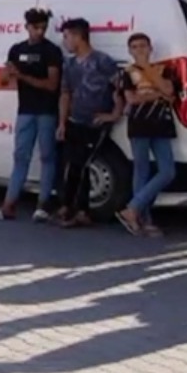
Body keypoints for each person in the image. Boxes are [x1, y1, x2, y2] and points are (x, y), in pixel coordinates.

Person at [0, 8, 62, 223]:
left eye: (43, 27)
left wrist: (21, 75)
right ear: (26, 27)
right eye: (35, 27)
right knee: (20, 157)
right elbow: (4, 80)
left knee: (47, 157)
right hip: (25, 110)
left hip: (47, 110)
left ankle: (42, 205)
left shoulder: (51, 51)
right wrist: (8, 72)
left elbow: (51, 85)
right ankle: (8, 205)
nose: (39, 32)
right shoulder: (17, 49)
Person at [54, 18, 121, 229]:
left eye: (67, 37)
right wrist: (62, 123)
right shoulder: (70, 64)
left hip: (94, 123)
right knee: (72, 165)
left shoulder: (102, 61)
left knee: (82, 165)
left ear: (78, 36)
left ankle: (80, 211)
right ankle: (70, 207)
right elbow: (66, 93)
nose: (65, 42)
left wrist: (114, 114)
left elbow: (120, 89)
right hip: (75, 120)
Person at [116, 32, 179, 237]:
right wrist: (157, 95)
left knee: (167, 171)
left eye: (143, 46)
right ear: (129, 51)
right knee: (141, 170)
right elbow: (131, 99)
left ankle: (132, 208)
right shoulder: (127, 72)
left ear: (150, 49)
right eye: (135, 47)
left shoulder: (162, 69)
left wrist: (149, 72)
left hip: (161, 123)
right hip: (139, 124)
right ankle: (143, 219)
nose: (139, 50)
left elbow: (169, 91)